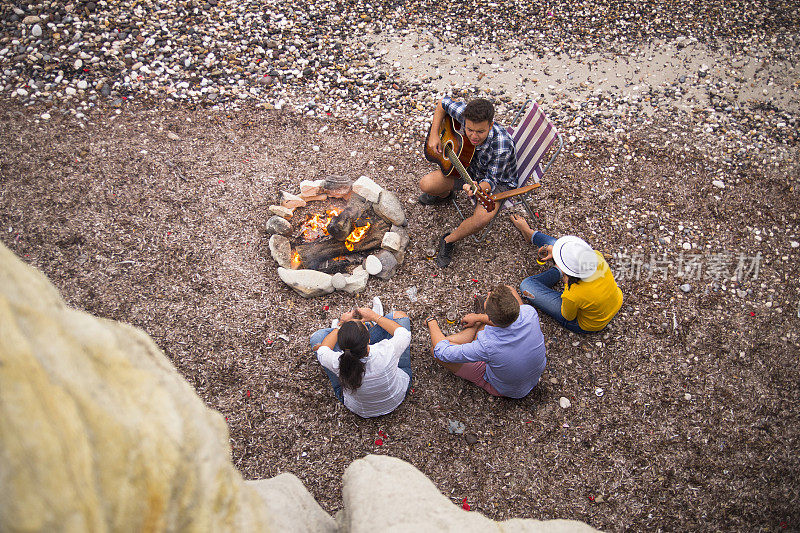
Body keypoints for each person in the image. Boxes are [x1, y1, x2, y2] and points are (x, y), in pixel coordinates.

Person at [419, 97, 518, 267]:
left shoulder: (502, 145)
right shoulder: (464, 115)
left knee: (481, 219)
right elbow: (442, 103)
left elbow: (492, 180)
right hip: (466, 166)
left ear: (491, 124)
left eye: (480, 131)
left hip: (497, 181)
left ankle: (449, 239)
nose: (473, 136)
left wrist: (477, 188)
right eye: (469, 129)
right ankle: (446, 196)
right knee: (426, 184)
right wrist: (435, 134)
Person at [425, 284, 546, 398]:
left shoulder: (487, 345)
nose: (489, 292)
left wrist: (431, 322)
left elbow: (442, 352)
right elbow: (510, 297)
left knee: (436, 349)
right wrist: (478, 317)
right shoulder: (529, 312)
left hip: (508, 389)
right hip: (531, 376)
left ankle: (473, 329)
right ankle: (477, 324)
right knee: (508, 290)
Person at [511, 213, 623, 333]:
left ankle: (558, 270)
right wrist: (556, 253)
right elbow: (570, 253)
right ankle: (530, 234)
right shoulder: (596, 257)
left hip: (588, 324)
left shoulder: (572, 294)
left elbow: (568, 316)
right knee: (561, 247)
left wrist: (564, 277)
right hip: (615, 301)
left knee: (526, 285)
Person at [310, 305, 411, 418]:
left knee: (317, 338)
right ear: (369, 339)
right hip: (396, 397)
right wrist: (374, 316)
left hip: (360, 409)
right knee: (399, 317)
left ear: (342, 346)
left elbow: (322, 351)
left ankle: (353, 334)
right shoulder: (386, 351)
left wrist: (342, 326)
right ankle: (369, 325)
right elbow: (403, 333)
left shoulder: (337, 362)